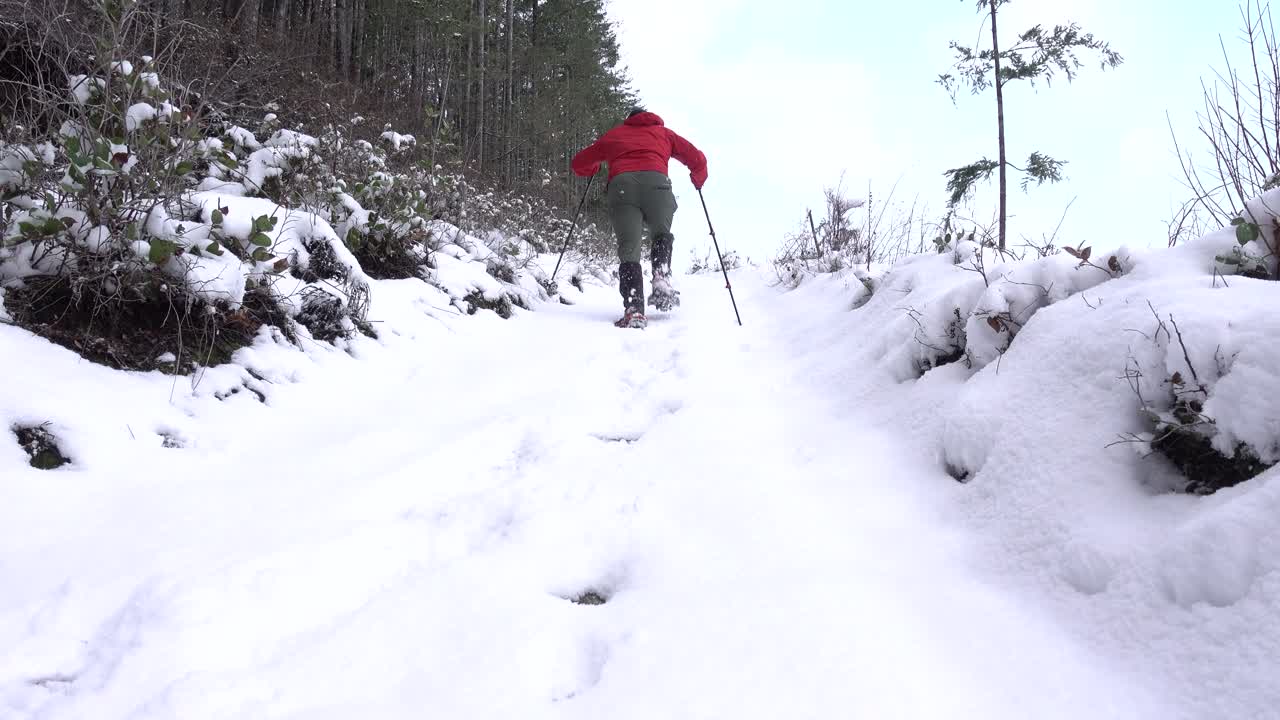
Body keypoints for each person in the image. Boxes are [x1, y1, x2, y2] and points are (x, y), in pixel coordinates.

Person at [571, 107, 708, 329]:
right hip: (658, 186)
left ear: (629, 120)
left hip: (623, 187)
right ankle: (661, 277)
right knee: (661, 234)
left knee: (629, 248)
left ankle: (634, 309)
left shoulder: (615, 135)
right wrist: (698, 178)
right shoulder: (664, 134)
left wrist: (594, 166)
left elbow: (579, 163)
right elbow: (697, 158)